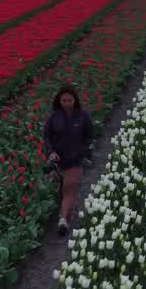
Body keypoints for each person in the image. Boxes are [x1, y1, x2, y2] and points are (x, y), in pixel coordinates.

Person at [42, 85, 93, 237]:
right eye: (63, 100)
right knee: (61, 190)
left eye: (69, 100)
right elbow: (47, 136)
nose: (67, 103)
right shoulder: (54, 117)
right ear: (59, 101)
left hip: (75, 159)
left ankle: (62, 220)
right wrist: (51, 152)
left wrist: (83, 152)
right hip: (58, 160)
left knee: (69, 188)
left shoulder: (83, 116)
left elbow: (89, 136)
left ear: (74, 100)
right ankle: (66, 213)